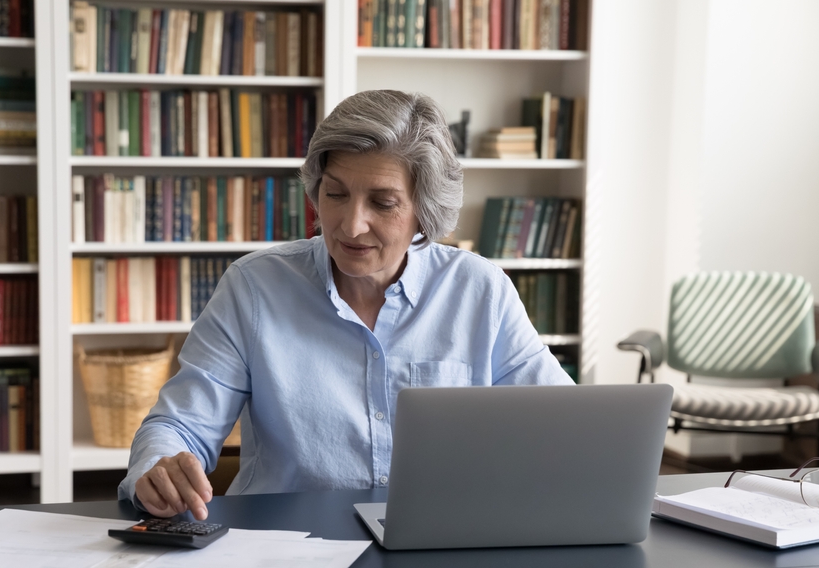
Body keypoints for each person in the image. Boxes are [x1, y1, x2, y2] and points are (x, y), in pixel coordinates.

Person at [118, 89, 573, 518]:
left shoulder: (480, 291)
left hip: (441, 544)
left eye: (383, 202)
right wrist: (157, 468)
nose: (350, 226)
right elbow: (179, 426)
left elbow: (567, 428)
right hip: (284, 549)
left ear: (424, 211)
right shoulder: (254, 287)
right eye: (335, 194)